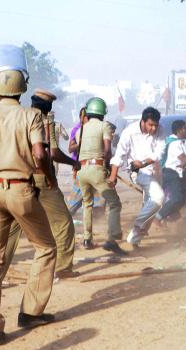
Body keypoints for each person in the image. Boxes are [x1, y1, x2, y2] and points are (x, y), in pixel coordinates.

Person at [0, 63, 57, 346]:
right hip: (21, 190)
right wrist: (50, 177)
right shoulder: (31, 116)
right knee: (45, 247)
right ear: (22, 89)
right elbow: (40, 155)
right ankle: (30, 312)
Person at [4, 89, 80, 279]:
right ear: (48, 107)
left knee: (14, 225)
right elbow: (51, 153)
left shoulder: (20, 118)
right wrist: (71, 164)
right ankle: (63, 267)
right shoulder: (45, 121)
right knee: (63, 224)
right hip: (42, 179)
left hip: (19, 178)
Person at [77, 97, 126, 255]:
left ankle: (87, 238)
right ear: (102, 113)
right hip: (96, 169)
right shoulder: (104, 126)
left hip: (82, 170)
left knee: (87, 204)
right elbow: (107, 151)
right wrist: (109, 171)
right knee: (114, 203)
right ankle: (112, 239)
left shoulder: (81, 129)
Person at [111, 107, 165, 247]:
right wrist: (112, 177)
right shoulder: (129, 132)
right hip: (139, 173)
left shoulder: (160, 129)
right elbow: (119, 155)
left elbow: (159, 153)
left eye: (155, 125)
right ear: (143, 121)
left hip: (155, 171)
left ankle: (134, 241)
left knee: (151, 206)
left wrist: (143, 162)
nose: (153, 128)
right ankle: (137, 226)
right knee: (158, 197)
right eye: (150, 125)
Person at [155, 119, 186, 224]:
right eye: (185, 128)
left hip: (184, 172)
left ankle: (170, 216)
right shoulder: (174, 144)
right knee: (177, 198)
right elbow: (184, 160)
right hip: (171, 173)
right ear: (179, 131)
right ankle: (158, 217)